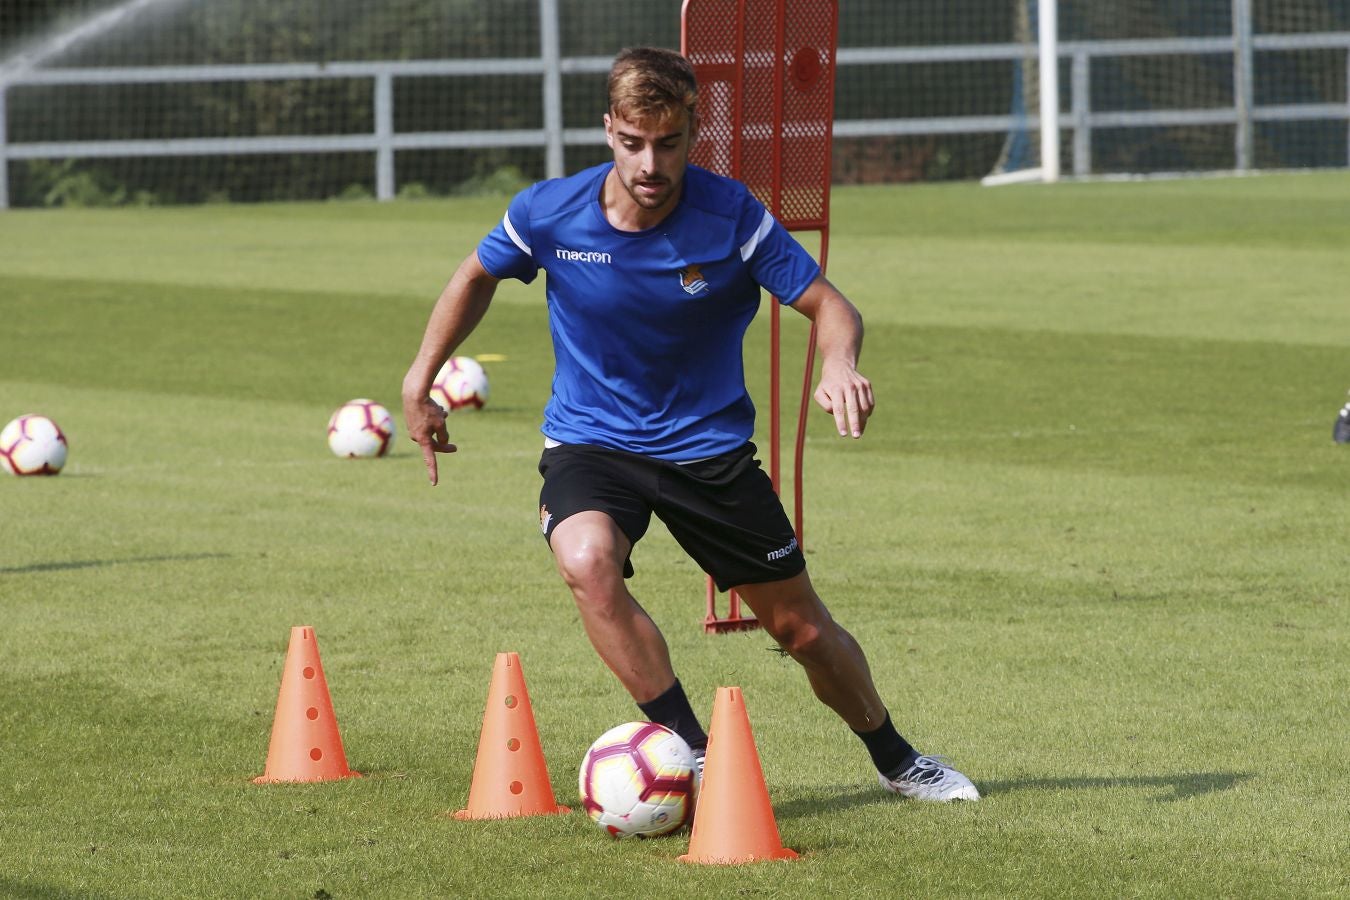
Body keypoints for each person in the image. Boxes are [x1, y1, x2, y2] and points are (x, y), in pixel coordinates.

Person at [402, 46, 978, 802]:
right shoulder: (548, 212)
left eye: (668, 143)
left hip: (708, 454)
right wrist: (421, 375)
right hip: (592, 442)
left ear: (691, 134)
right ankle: (695, 752)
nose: (651, 162)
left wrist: (838, 363)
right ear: (608, 129)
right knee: (585, 561)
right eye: (633, 141)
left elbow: (831, 307)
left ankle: (898, 757)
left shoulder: (731, 215)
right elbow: (476, 274)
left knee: (801, 632)